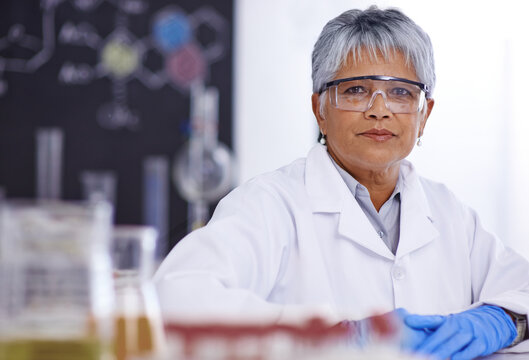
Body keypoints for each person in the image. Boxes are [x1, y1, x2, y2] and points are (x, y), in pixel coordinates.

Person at [154, 6, 529, 359]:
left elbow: (522, 290)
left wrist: (504, 322)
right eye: (356, 90)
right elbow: (176, 299)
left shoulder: (450, 214)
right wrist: (329, 336)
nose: (378, 109)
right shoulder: (267, 204)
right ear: (319, 108)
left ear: (424, 114)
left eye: (400, 92)